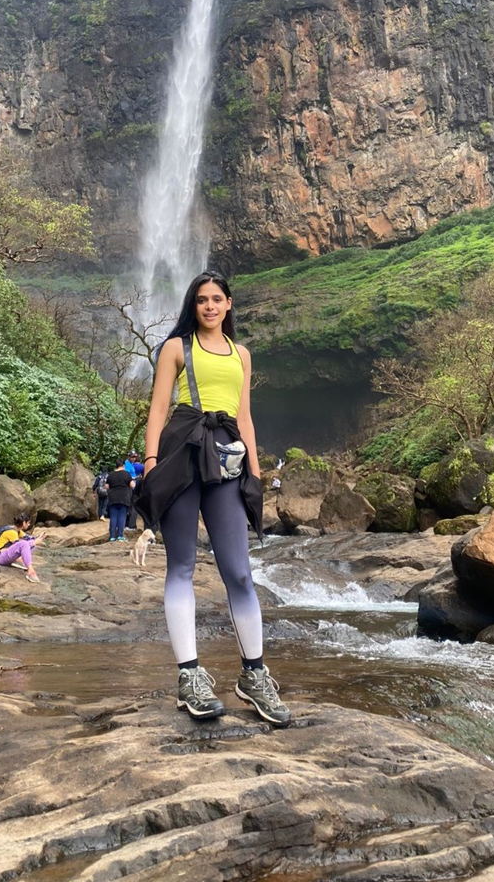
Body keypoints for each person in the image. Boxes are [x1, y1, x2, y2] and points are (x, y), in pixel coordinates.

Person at [134, 271, 287, 726]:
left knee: (239, 571)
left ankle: (253, 675)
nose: (209, 306)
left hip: (226, 457)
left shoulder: (242, 354)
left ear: (229, 304)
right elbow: (159, 408)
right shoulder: (177, 348)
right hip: (182, 452)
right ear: (193, 305)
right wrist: (149, 461)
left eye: (217, 299)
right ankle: (189, 676)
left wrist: (256, 474)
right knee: (180, 564)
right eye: (201, 300)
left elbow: (244, 416)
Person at [0, 516, 41, 583]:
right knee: (24, 544)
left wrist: (38, 538)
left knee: (32, 544)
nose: (29, 525)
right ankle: (30, 570)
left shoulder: (18, 531)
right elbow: (19, 546)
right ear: (24, 523)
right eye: (28, 523)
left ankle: (19, 560)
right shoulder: (12, 532)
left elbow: (28, 538)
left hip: (5, 555)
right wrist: (34, 542)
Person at [106, 464, 134, 542]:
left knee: (113, 517)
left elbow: (106, 486)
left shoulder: (111, 474)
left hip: (113, 497)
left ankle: (112, 536)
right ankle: (120, 536)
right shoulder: (127, 474)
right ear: (123, 466)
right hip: (124, 497)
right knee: (122, 516)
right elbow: (132, 485)